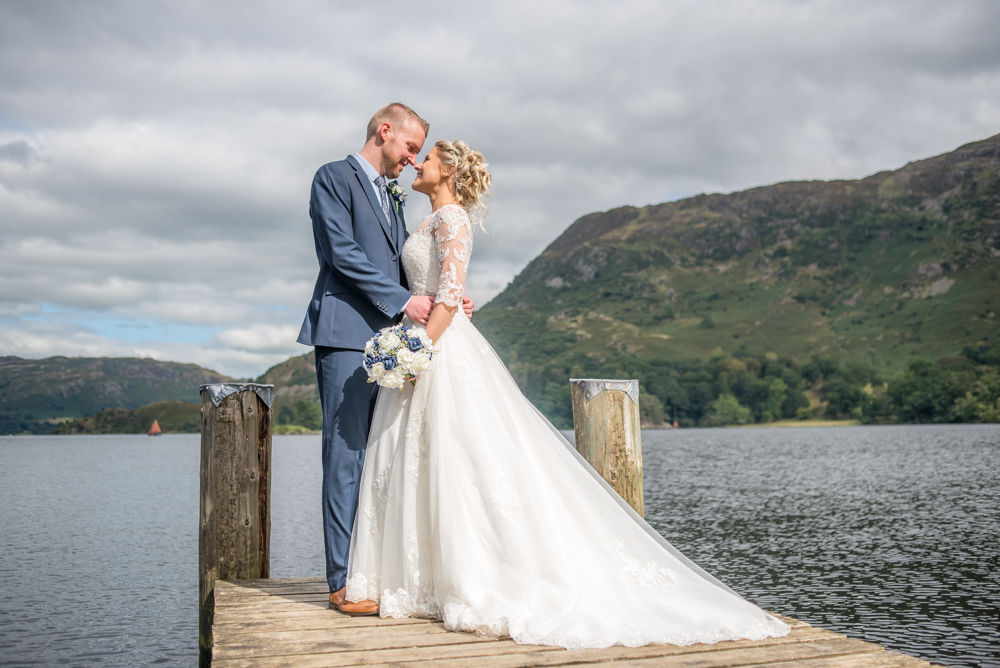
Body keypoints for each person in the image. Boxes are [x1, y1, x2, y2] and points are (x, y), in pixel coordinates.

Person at [345, 140, 792, 648]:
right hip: (432, 341)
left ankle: (470, 576)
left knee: (457, 458)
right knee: (424, 460)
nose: (416, 164)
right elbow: (441, 292)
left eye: (426, 159)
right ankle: (422, 578)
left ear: (446, 170)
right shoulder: (429, 221)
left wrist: (418, 348)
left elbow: (450, 294)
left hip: (437, 349)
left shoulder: (452, 220)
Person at [296, 103, 473, 615]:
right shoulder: (333, 177)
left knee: (387, 459)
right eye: (410, 147)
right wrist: (404, 303)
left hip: (395, 347)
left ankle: (377, 573)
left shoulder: (395, 200)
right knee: (346, 454)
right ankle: (341, 582)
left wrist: (448, 295)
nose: (413, 160)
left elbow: (409, 266)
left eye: (421, 153)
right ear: (384, 130)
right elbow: (340, 252)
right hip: (348, 337)